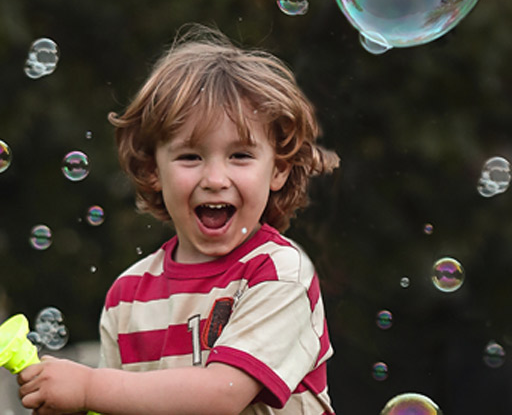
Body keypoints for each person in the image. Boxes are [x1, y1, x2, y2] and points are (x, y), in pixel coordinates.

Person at [18, 24, 340, 415]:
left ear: (279, 171)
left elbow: (221, 395)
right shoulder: (128, 295)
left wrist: (88, 387)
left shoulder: (278, 273)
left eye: (240, 156)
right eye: (190, 156)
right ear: (152, 169)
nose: (215, 179)